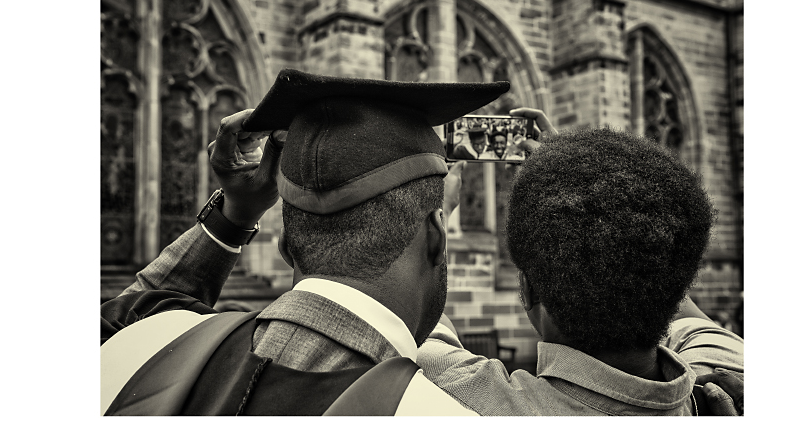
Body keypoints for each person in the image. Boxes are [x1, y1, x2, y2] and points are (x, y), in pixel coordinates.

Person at [100, 68, 510, 416]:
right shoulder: (452, 418)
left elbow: (132, 312)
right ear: (438, 237)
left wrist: (236, 214)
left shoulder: (140, 351)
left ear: (285, 248)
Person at [417, 108, 744, 415]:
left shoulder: (462, 399)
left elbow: (412, 331)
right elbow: (677, 292)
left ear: (527, 289)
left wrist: (437, 210)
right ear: (677, 281)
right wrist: (596, 193)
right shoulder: (726, 380)